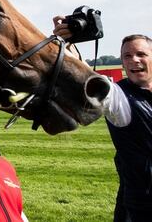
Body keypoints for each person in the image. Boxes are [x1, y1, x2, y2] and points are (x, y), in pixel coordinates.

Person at [53, 18, 152, 221]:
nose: (134, 60)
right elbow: (84, 77)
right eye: (127, 56)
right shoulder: (119, 96)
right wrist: (66, 42)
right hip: (142, 207)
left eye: (141, 54)